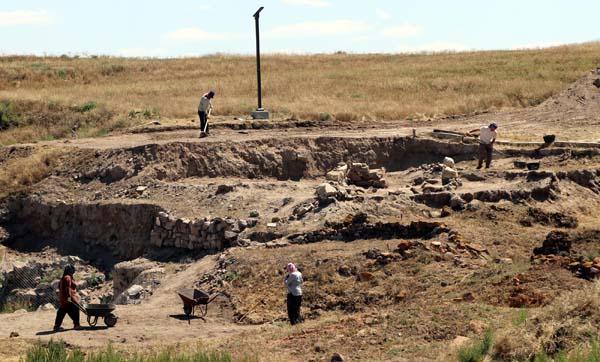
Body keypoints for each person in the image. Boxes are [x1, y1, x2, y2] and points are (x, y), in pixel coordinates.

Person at [53, 264, 81, 331]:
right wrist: (68, 297)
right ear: (70, 271)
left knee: (63, 310)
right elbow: (67, 288)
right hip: (68, 297)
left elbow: (59, 287)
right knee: (75, 309)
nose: (73, 272)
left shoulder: (64, 277)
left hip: (64, 298)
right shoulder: (67, 278)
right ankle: (76, 325)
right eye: (73, 270)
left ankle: (57, 326)